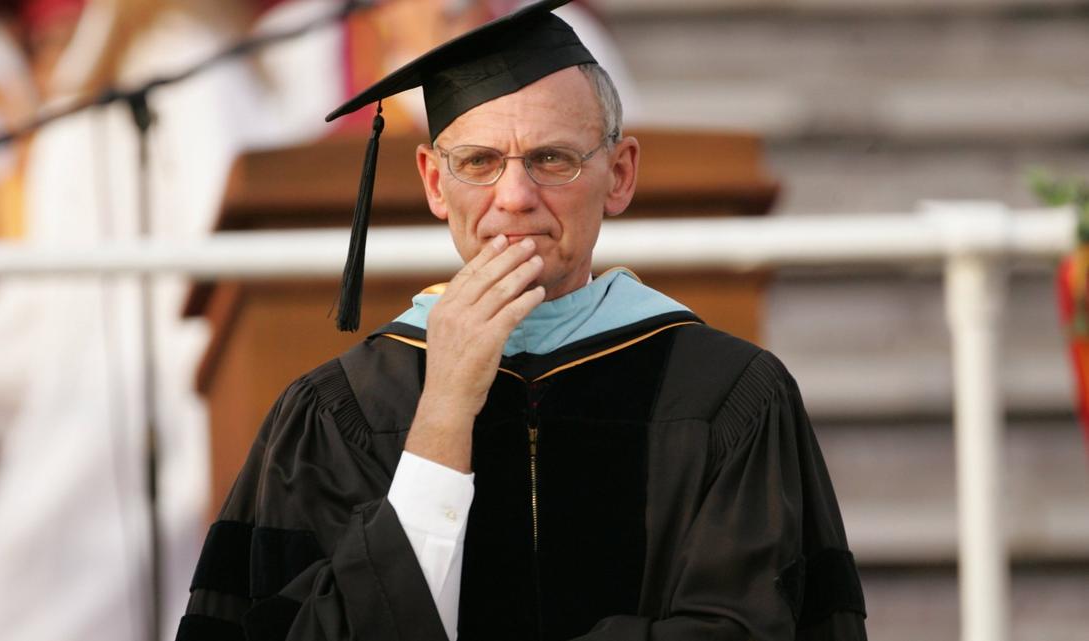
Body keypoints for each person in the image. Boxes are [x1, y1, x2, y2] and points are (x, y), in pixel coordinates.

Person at [176, 1, 868, 640]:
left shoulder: (729, 398)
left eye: (551, 159)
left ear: (620, 174)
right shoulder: (332, 415)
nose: (514, 197)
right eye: (478, 162)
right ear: (432, 182)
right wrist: (443, 410)